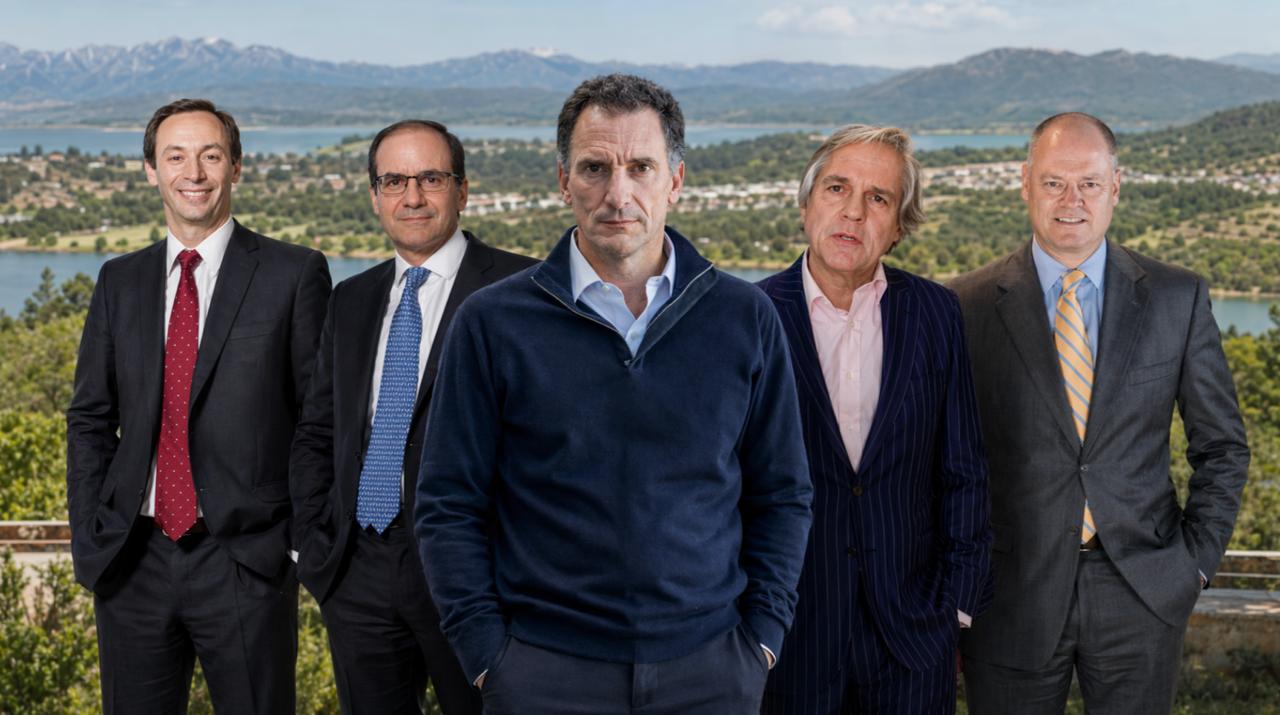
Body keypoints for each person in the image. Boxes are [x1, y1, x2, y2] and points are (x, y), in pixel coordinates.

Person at [414, 74, 813, 714]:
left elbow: (783, 494)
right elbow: (448, 504)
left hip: (711, 673)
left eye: (641, 168)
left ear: (675, 181)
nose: (617, 194)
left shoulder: (745, 317)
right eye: (595, 168)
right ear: (563, 180)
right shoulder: (492, 323)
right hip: (542, 675)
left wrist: (760, 642)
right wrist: (489, 659)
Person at [951, 112, 1250, 714]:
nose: (1072, 200)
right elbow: (940, 460)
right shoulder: (963, 304)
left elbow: (1222, 446)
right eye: (1054, 182)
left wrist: (1192, 567)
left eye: (1088, 182)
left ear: (1115, 187)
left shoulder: (1177, 297)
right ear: (1025, 183)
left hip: (1143, 592)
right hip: (1008, 597)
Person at [66, 98, 331, 714]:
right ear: (150, 171)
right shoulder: (119, 280)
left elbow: (320, 420)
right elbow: (90, 419)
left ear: (236, 167)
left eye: (210, 156)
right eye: (176, 157)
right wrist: (90, 535)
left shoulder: (293, 274)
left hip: (245, 560)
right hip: (131, 559)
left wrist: (295, 543)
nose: (194, 173)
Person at [289, 119, 535, 715]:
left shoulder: (524, 289)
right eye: (394, 181)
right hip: (357, 569)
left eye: (431, 178)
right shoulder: (352, 298)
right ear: (375, 196)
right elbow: (318, 430)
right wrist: (315, 546)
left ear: (462, 189)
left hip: (479, 577)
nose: (413, 196)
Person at [757, 124, 991, 714]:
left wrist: (956, 607)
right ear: (806, 204)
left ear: (899, 227)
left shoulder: (936, 312)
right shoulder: (749, 317)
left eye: (878, 198)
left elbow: (963, 471)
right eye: (837, 188)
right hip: (789, 637)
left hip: (913, 639)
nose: (854, 212)